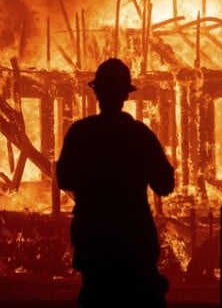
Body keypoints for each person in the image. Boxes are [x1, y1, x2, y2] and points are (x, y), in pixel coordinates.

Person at [56, 58, 175, 307]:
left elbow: (64, 178)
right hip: (135, 241)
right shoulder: (140, 135)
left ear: (97, 92)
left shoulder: (80, 133)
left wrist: (90, 196)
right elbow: (164, 185)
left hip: (94, 241)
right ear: (126, 95)